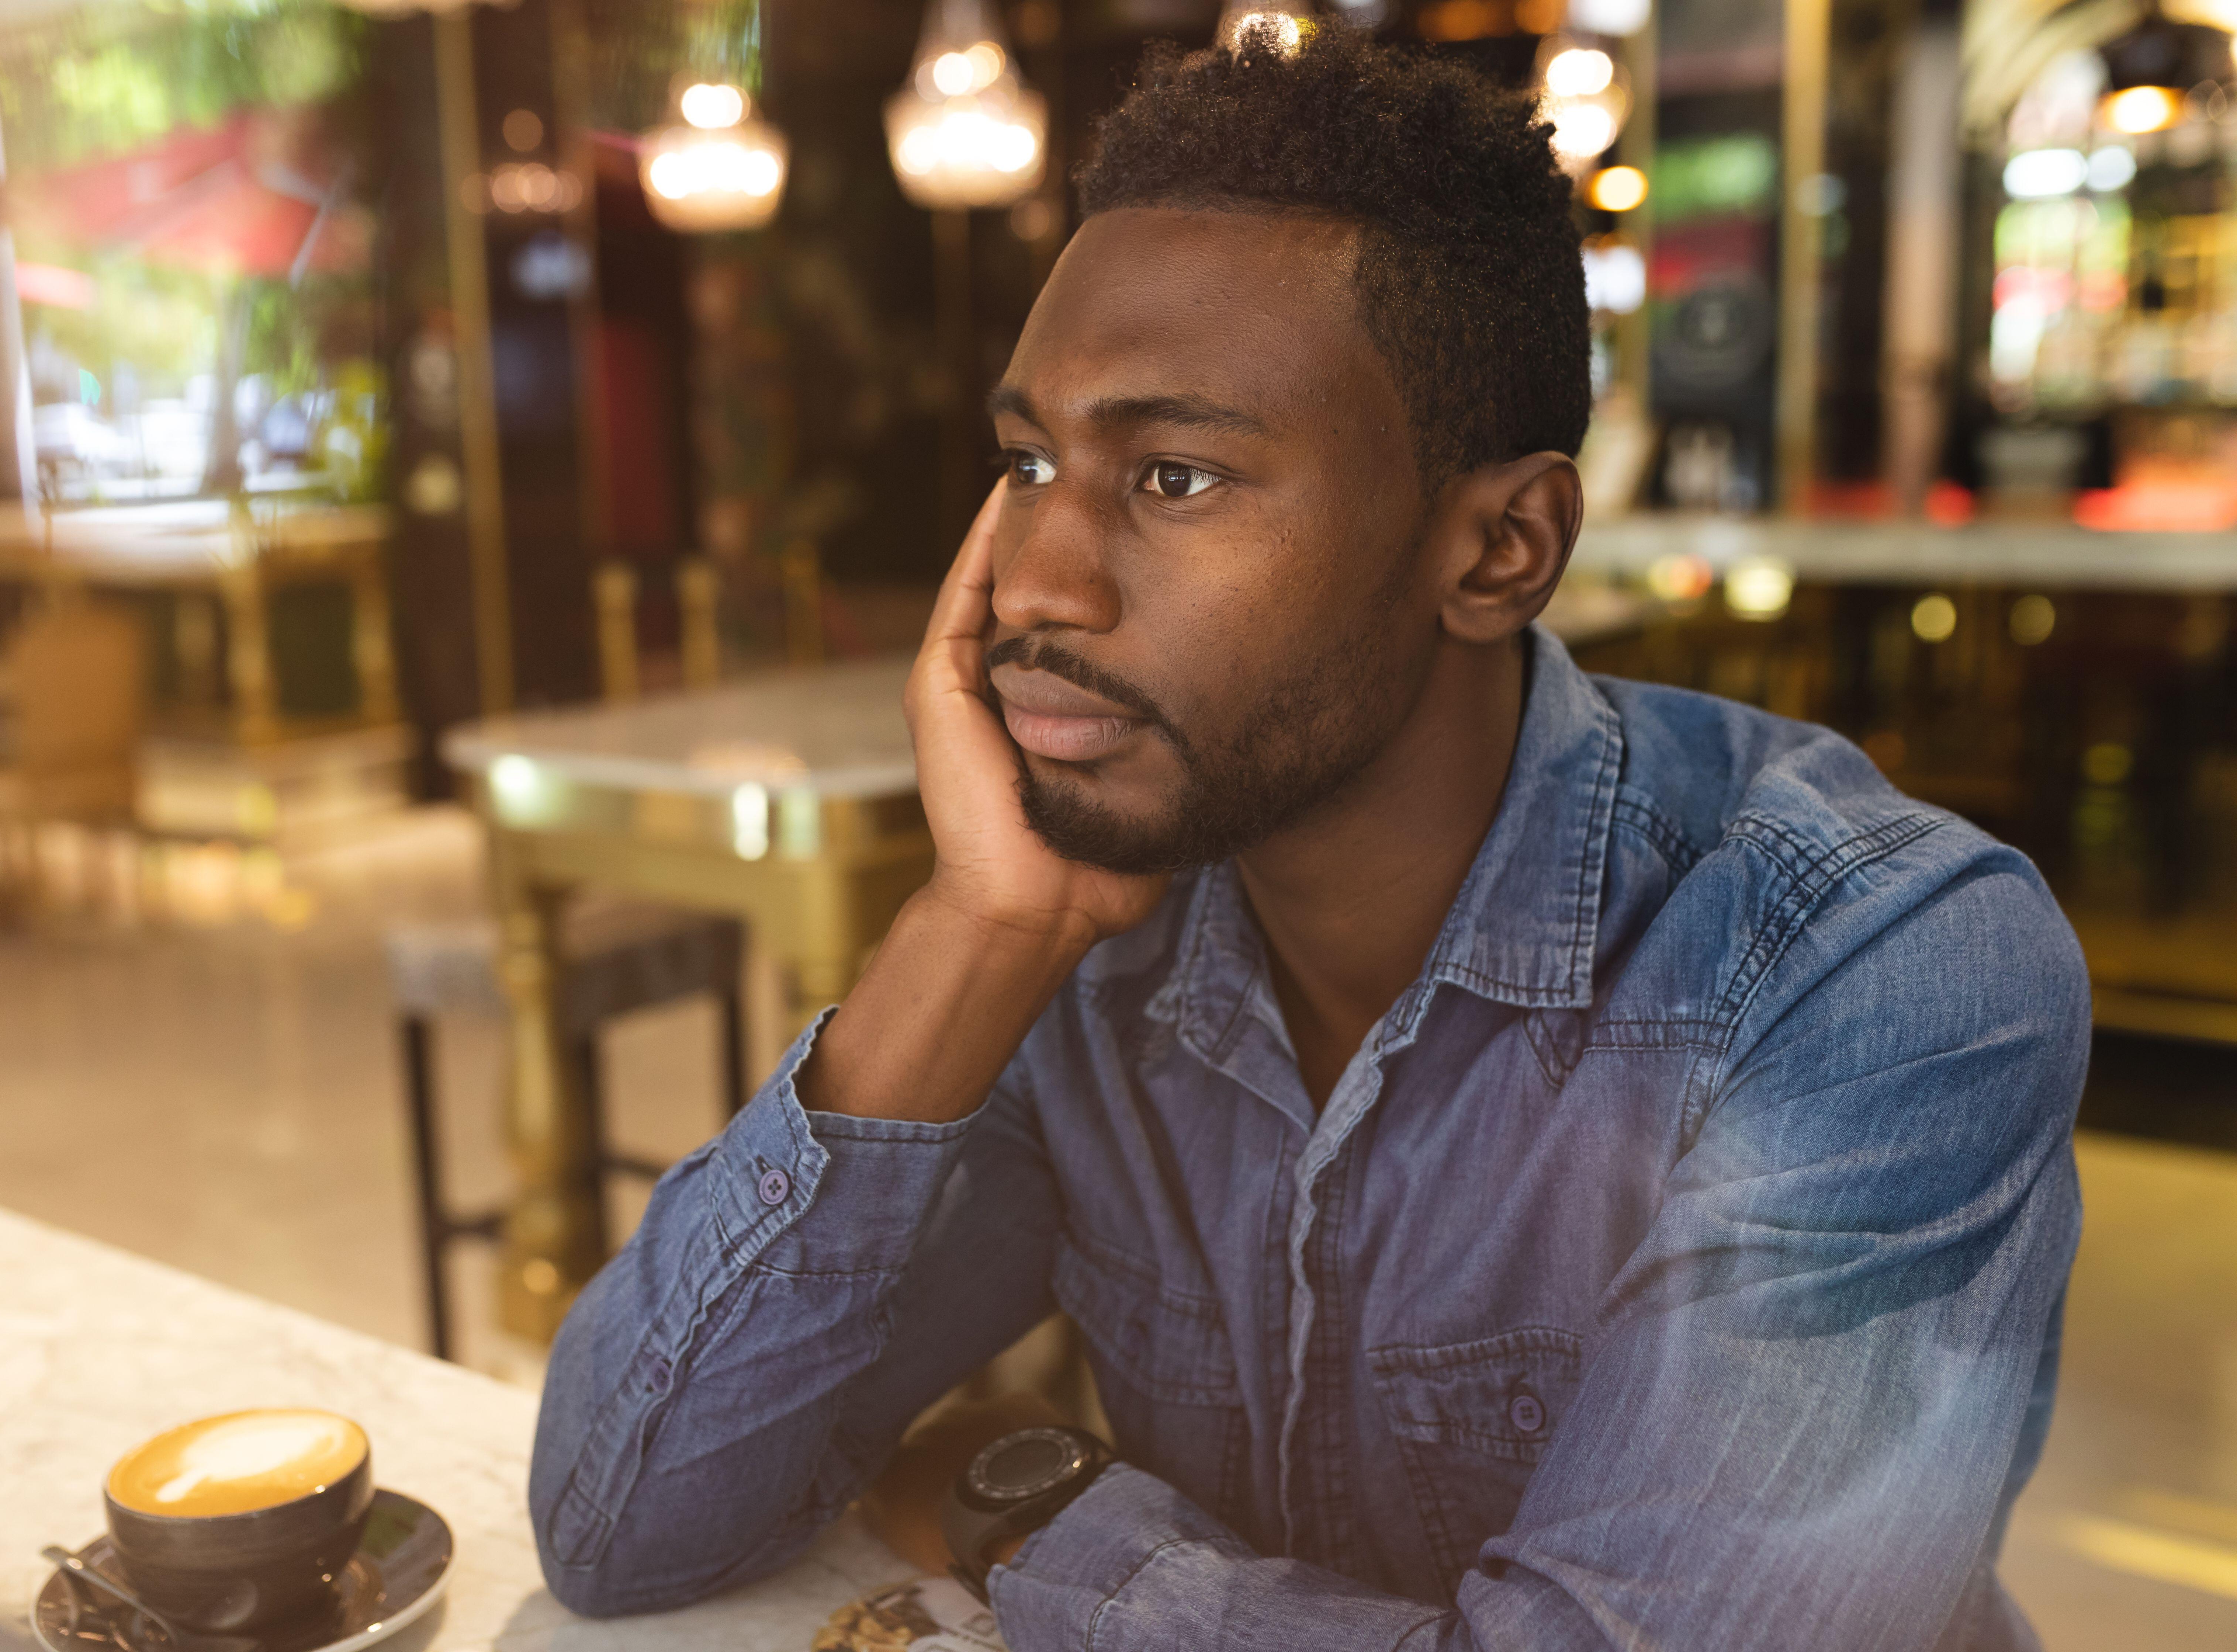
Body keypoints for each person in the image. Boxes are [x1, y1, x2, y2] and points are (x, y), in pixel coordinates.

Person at [529, 27, 2086, 1651]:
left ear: (1498, 549)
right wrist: (976, 929)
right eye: (1029, 461)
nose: (1037, 580)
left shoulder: (1875, 969)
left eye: (1178, 475)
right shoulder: (1097, 928)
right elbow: (621, 1527)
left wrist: (1039, 1518)